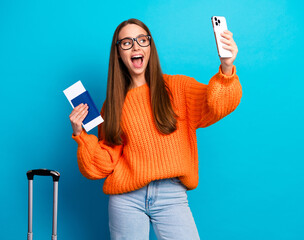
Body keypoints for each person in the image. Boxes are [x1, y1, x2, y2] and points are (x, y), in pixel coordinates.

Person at [69, 18, 242, 240]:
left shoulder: (178, 88)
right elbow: (100, 166)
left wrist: (227, 67)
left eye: (142, 39)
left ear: (150, 47)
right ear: (118, 53)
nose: (136, 46)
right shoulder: (111, 105)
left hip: (172, 195)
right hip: (126, 199)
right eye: (127, 43)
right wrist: (79, 134)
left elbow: (217, 105)